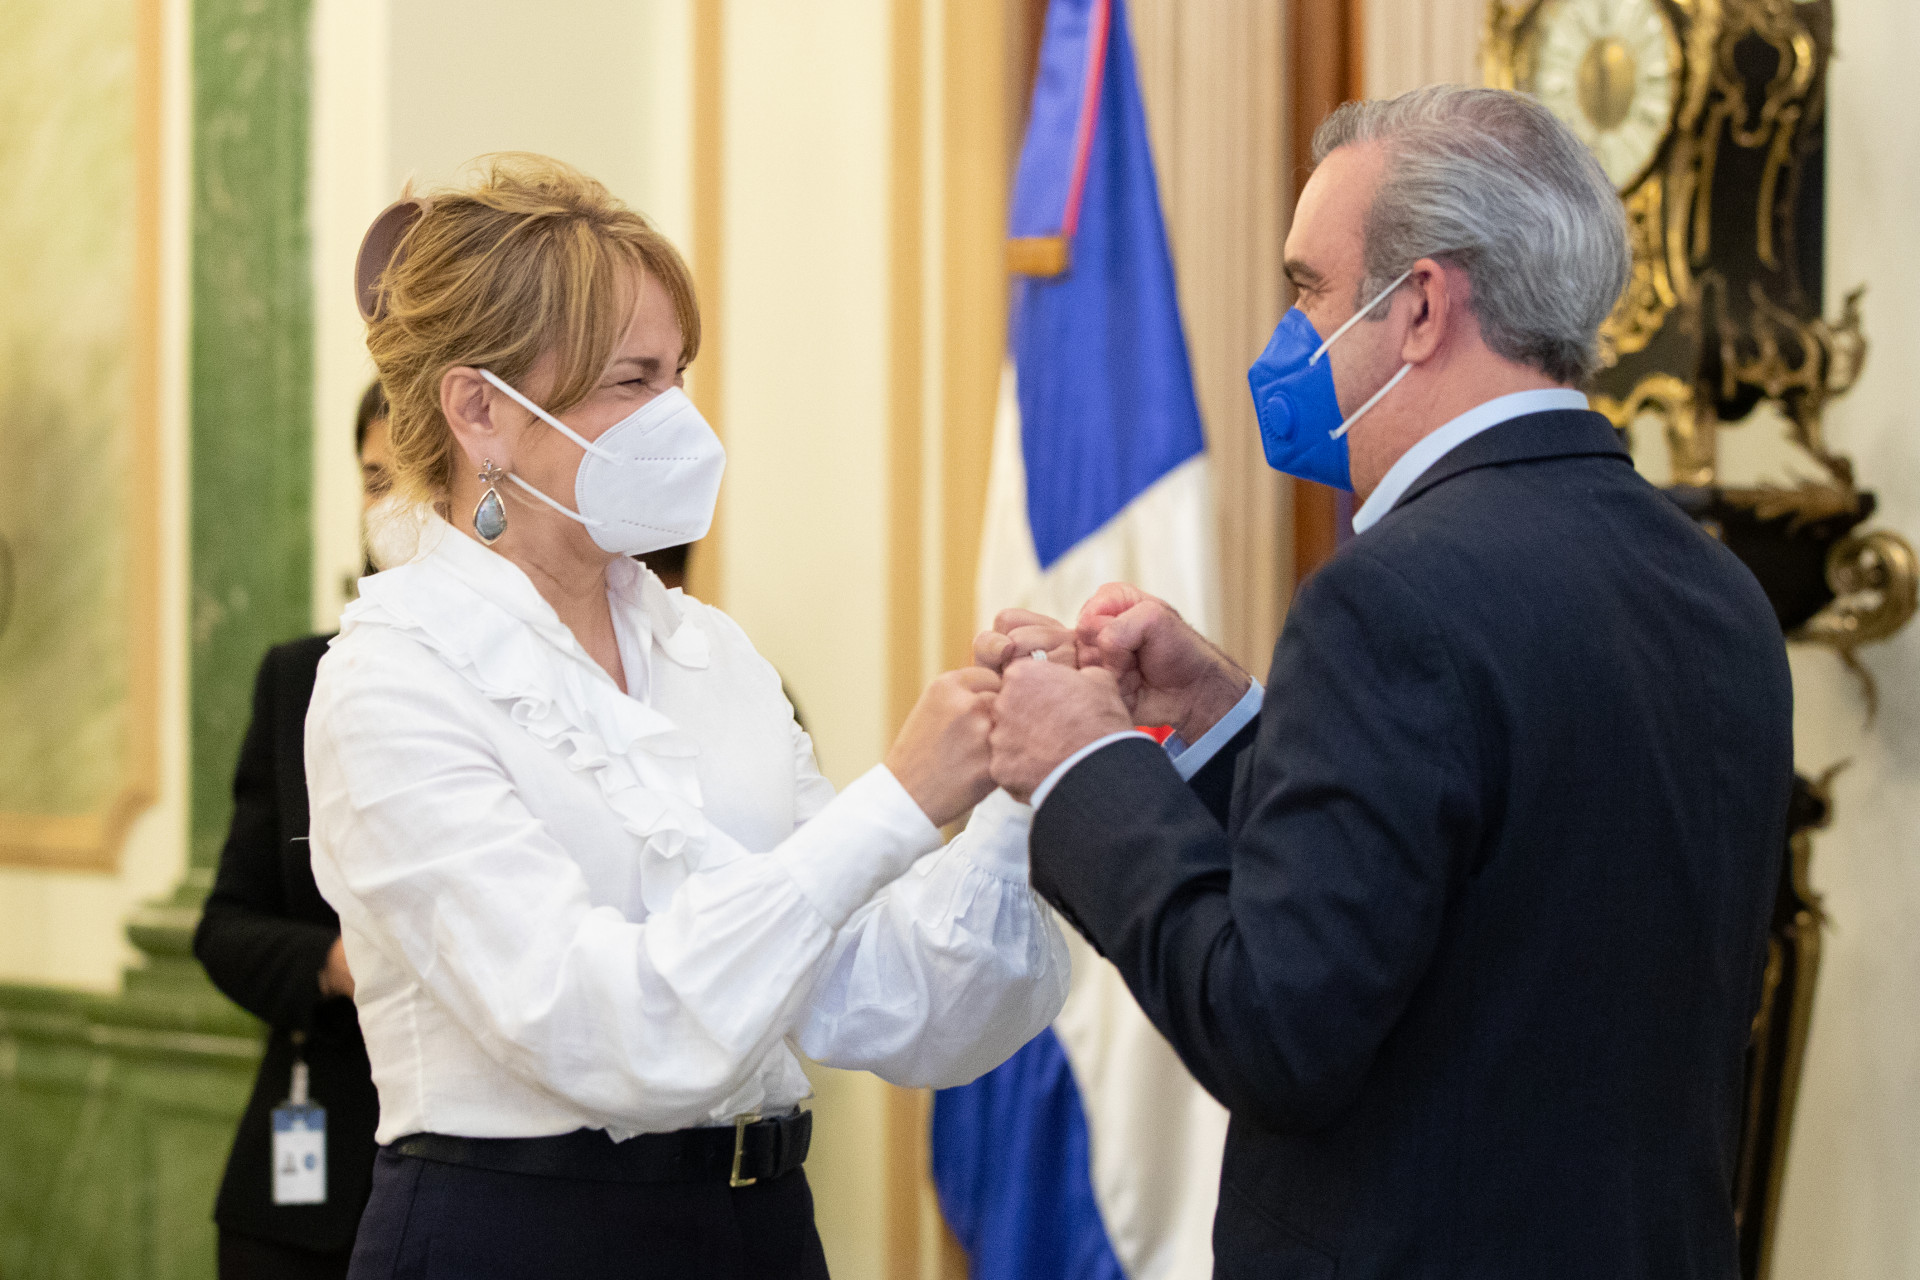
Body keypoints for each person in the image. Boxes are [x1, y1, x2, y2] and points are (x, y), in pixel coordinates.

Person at [983, 86, 1794, 1277]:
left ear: (1418, 305)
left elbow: (1275, 1027)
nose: (1289, 330)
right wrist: (1223, 721)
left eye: (1309, 288)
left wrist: (1087, 766)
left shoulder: (1389, 594)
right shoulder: (1717, 588)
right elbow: (1492, 891)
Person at [310, 154, 1067, 1280]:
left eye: (678, 376)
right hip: (520, 1239)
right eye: (633, 382)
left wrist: (1016, 780)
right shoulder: (394, 677)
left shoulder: (710, 653)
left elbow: (891, 1001)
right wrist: (898, 802)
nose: (677, 420)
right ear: (480, 410)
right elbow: (604, 1028)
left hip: (760, 1231)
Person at [195, 380, 394, 1280]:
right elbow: (224, 928)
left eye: (411, 479)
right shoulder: (299, 681)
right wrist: (334, 963)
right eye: (373, 480)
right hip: (305, 1182)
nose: (387, 508)